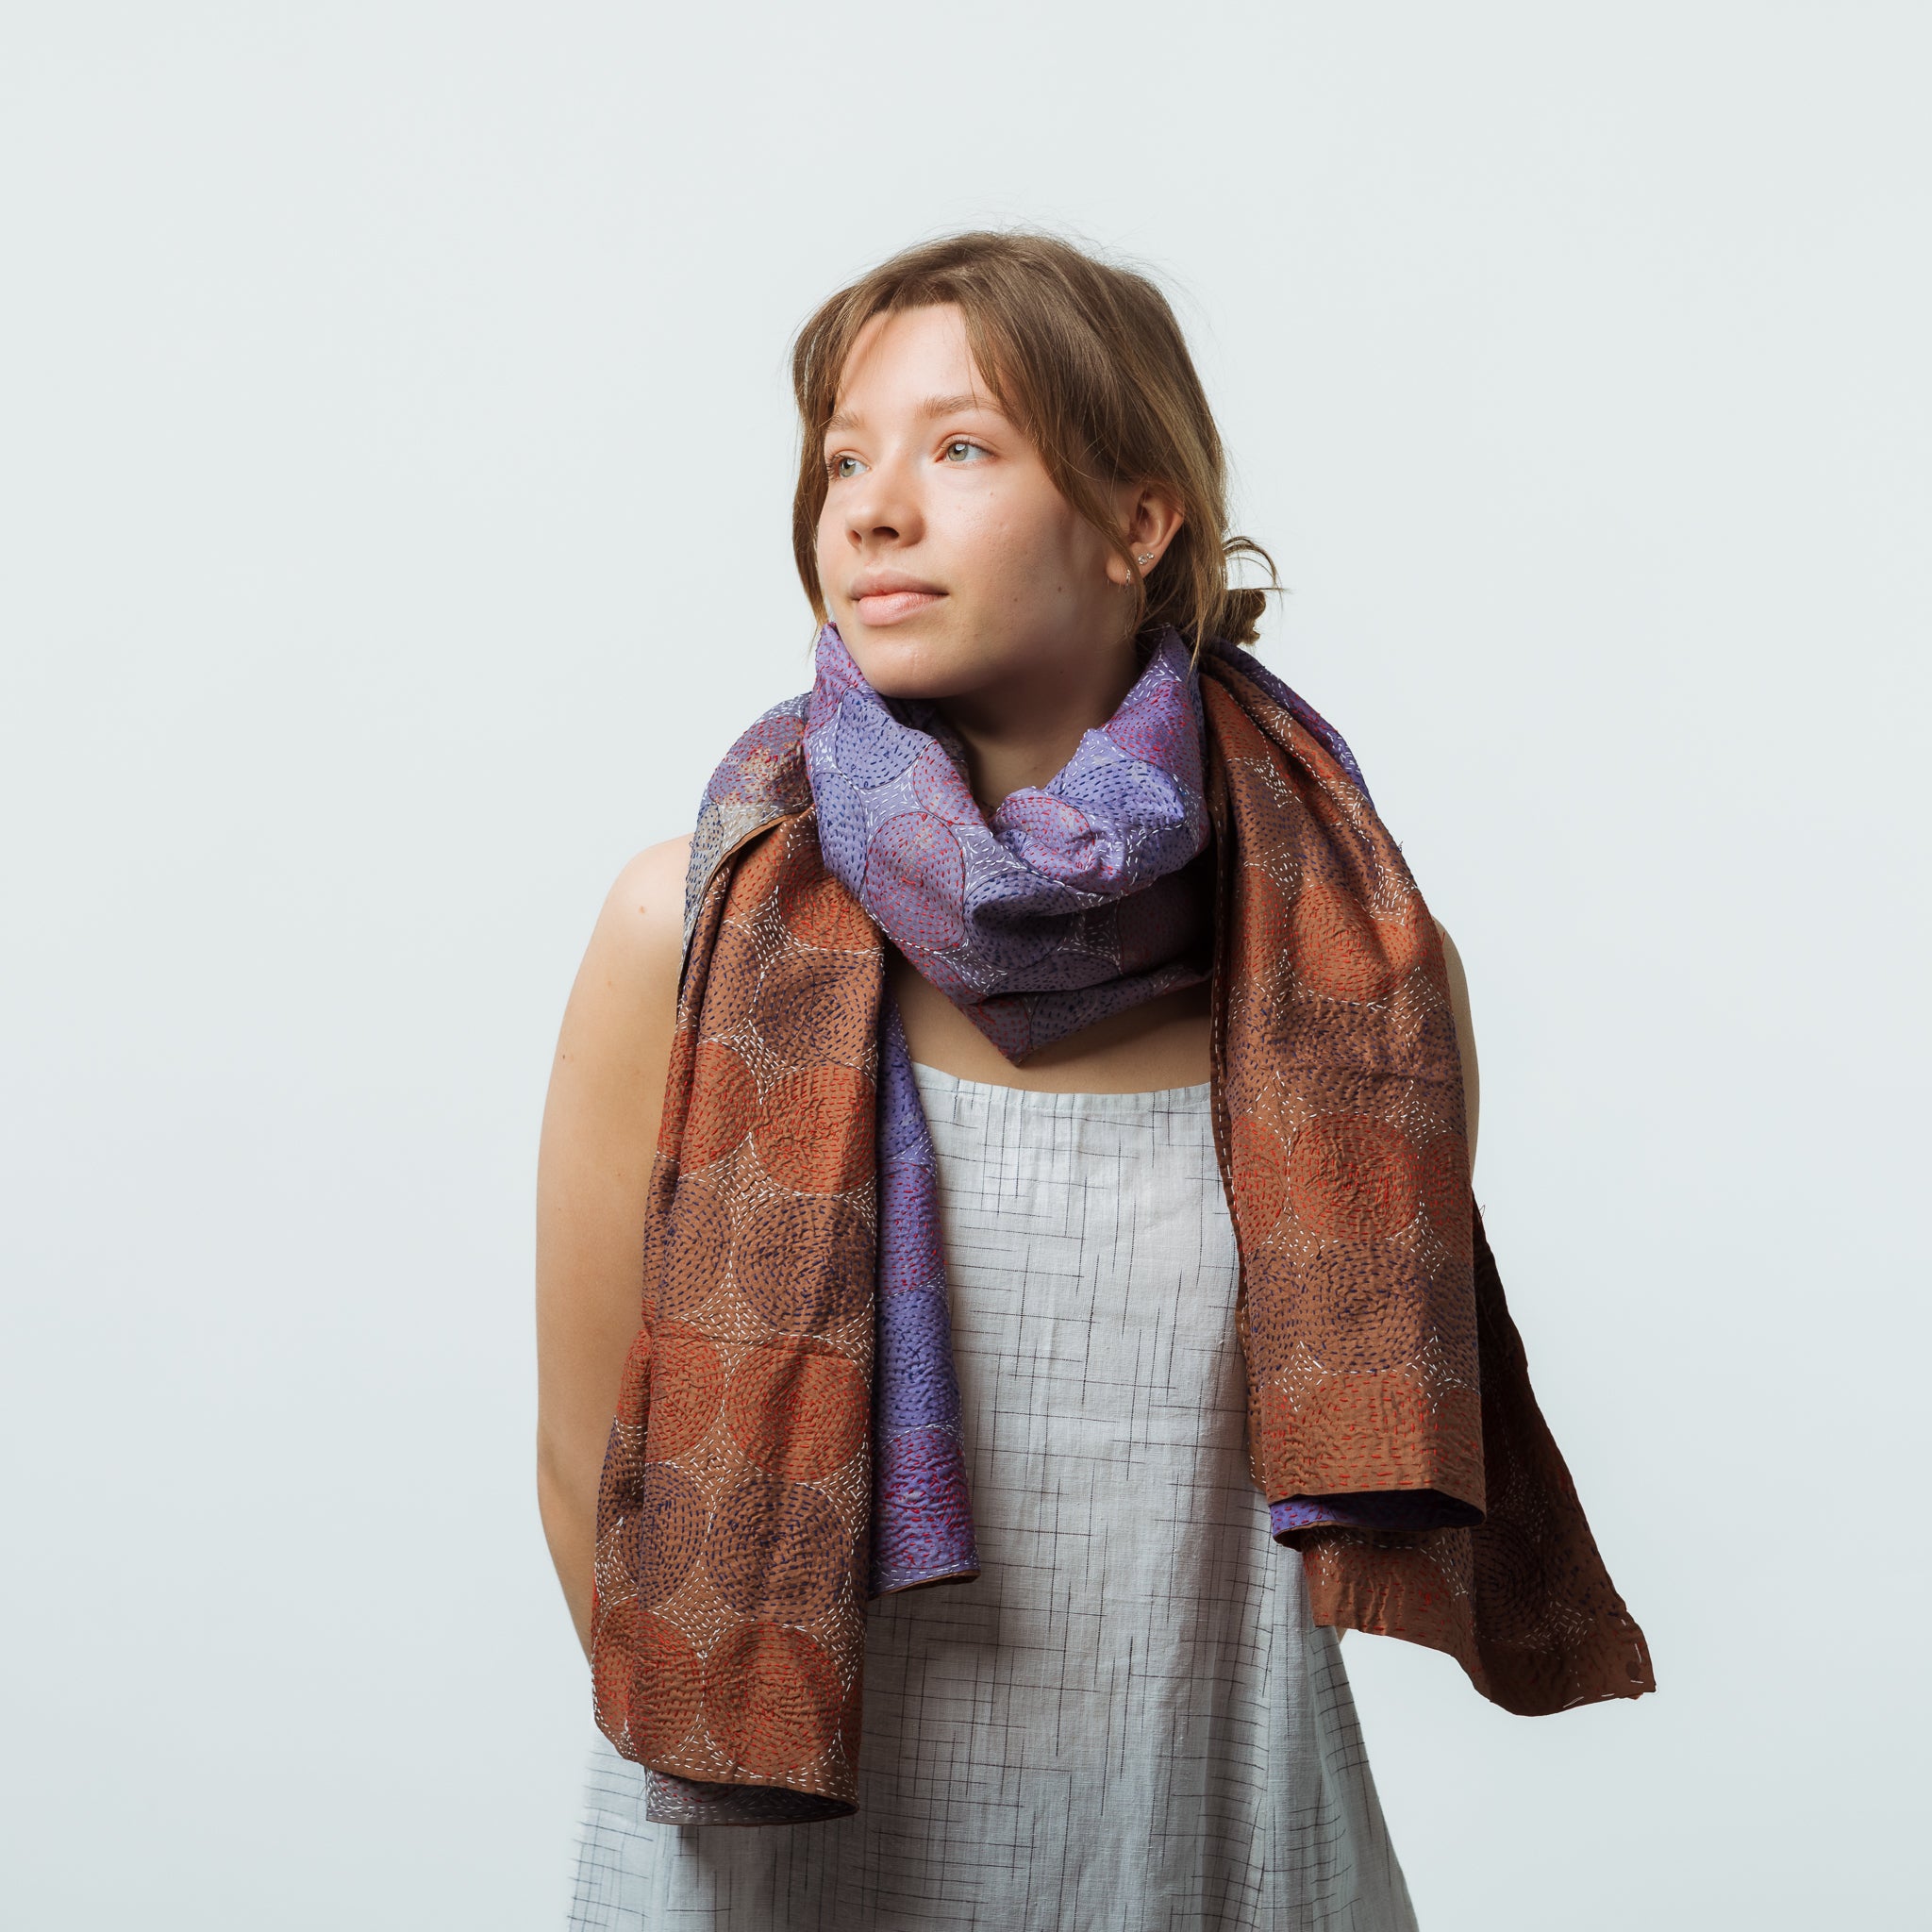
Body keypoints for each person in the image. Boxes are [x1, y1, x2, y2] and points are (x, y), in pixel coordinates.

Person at [536, 231, 1652, 1931]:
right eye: (847, 455)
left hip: (1221, 1857)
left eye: (960, 446)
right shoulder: (689, 929)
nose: (873, 507)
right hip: (779, 1867)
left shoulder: (1351, 982)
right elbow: (580, 1465)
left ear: (1144, 523)